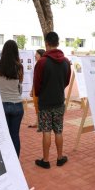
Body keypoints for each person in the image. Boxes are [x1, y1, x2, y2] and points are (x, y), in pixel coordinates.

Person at [34, 32, 71, 169]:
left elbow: (37, 84)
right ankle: (60, 158)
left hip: (45, 102)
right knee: (59, 131)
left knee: (46, 131)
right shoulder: (66, 62)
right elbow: (66, 81)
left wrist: (39, 94)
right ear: (58, 43)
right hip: (59, 101)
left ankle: (45, 160)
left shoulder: (42, 62)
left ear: (47, 43)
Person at [0, 40, 24, 157]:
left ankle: (7, 161)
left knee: (4, 135)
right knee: (15, 135)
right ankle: (15, 160)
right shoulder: (19, 67)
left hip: (2, 104)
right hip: (17, 105)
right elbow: (20, 83)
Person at [28, 49, 46, 128]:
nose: (35, 55)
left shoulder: (42, 64)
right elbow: (35, 79)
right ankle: (38, 121)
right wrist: (32, 89)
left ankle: (40, 122)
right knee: (36, 105)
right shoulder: (37, 64)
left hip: (41, 89)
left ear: (41, 55)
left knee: (40, 105)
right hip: (36, 88)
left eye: (37, 54)